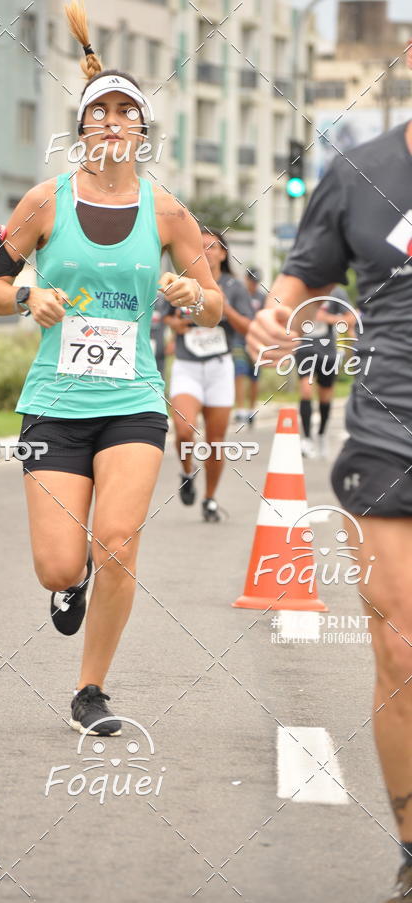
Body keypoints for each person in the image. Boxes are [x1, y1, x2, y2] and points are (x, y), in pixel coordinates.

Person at [0, 1, 222, 736]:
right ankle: (67, 586)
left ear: (143, 129)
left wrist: (190, 294)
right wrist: (27, 295)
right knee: (60, 564)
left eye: (127, 111)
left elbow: (213, 299)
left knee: (117, 540)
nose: (113, 121)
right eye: (100, 110)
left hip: (134, 399)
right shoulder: (44, 201)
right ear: (81, 125)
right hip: (55, 397)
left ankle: (91, 689)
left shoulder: (169, 212)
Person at [247, 37, 412, 902]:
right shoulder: (359, 172)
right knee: (399, 645)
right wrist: (272, 321)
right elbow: (297, 285)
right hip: (390, 433)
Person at [161, 227, 253, 522]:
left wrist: (223, 308)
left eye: (212, 246)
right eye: (200, 246)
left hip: (219, 367)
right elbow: (166, 315)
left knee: (215, 441)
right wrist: (175, 325)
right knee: (185, 430)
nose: (206, 251)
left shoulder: (233, 286)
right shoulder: (183, 281)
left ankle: (210, 499)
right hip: (187, 366)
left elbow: (248, 328)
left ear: (223, 253)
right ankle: (187, 472)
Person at [294, 284, 355, 459]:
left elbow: (350, 319)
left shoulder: (337, 292)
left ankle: (321, 434)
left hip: (328, 351)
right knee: (306, 390)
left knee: (325, 396)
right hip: (304, 348)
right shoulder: (302, 288)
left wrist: (325, 317)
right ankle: (306, 438)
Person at [233, 265, 265, 426]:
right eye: (251, 281)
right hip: (239, 339)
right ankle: (240, 410)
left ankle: (252, 409)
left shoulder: (262, 297)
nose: (253, 284)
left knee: (254, 377)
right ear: (246, 279)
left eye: (256, 282)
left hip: (257, 342)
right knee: (239, 372)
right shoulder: (239, 294)